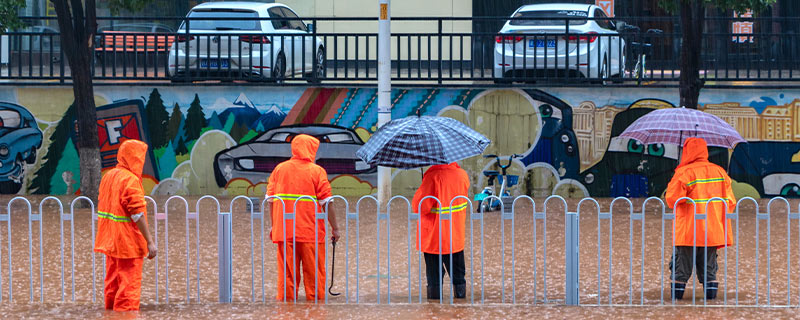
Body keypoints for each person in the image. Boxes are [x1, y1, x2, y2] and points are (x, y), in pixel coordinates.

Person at [266, 134, 340, 302]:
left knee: (287, 274)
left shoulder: (279, 169)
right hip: (310, 232)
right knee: (314, 274)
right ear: (310, 149)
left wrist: (274, 226)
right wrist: (335, 228)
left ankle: (287, 310)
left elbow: (271, 200)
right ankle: (315, 310)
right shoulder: (317, 171)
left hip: (284, 232)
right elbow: (327, 202)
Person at [665, 137, 735, 300]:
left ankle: (677, 306)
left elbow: (672, 199)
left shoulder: (684, 173)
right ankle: (710, 307)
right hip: (712, 230)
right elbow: (730, 201)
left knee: (681, 269)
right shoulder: (719, 172)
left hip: (689, 231)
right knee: (709, 270)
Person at [93, 139, 157, 311]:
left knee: (112, 283)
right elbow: (137, 214)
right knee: (129, 288)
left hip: (110, 241)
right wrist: (149, 241)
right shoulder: (130, 180)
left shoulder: (108, 176)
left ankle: (111, 313)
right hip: (128, 244)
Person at [412, 162, 470, 300]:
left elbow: (419, 206)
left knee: (434, 277)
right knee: (458, 275)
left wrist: (422, 187)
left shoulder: (432, 177)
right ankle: (461, 306)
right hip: (455, 235)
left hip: (434, 237)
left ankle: (434, 311)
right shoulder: (462, 175)